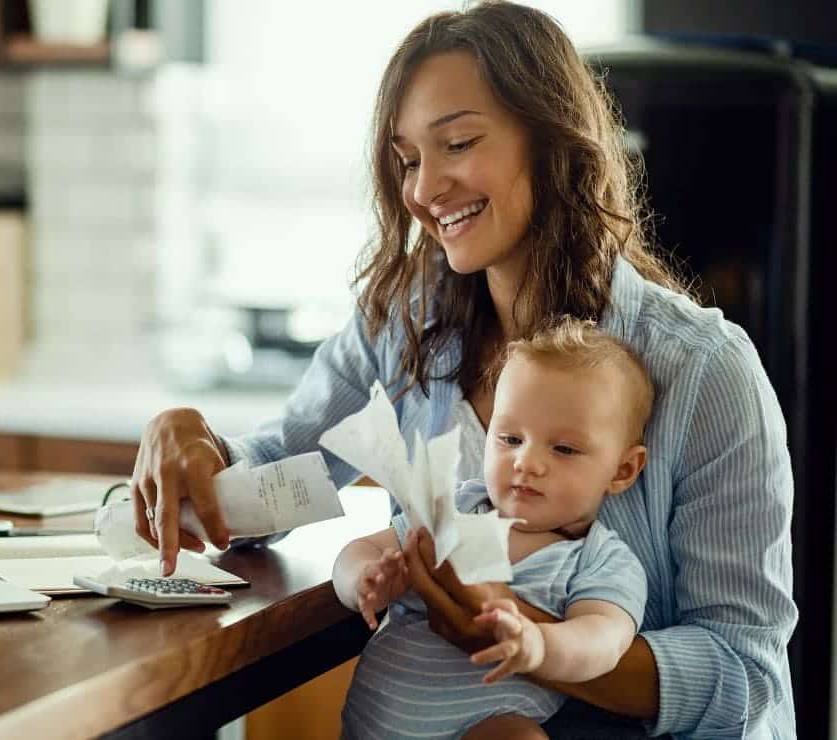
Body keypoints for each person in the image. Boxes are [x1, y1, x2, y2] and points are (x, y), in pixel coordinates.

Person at [130, 2, 797, 736]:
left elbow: (746, 679)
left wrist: (527, 638)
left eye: (457, 144)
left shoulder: (704, 370)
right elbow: (280, 473)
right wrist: (197, 450)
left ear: (551, 141)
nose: (422, 190)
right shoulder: (403, 325)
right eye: (409, 159)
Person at [336, 318, 652, 740]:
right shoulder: (458, 506)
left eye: (563, 449)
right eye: (510, 439)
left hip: (483, 726)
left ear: (623, 469)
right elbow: (358, 550)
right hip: (371, 725)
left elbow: (605, 640)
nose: (526, 462)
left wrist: (539, 645)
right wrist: (365, 578)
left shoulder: (599, 560)